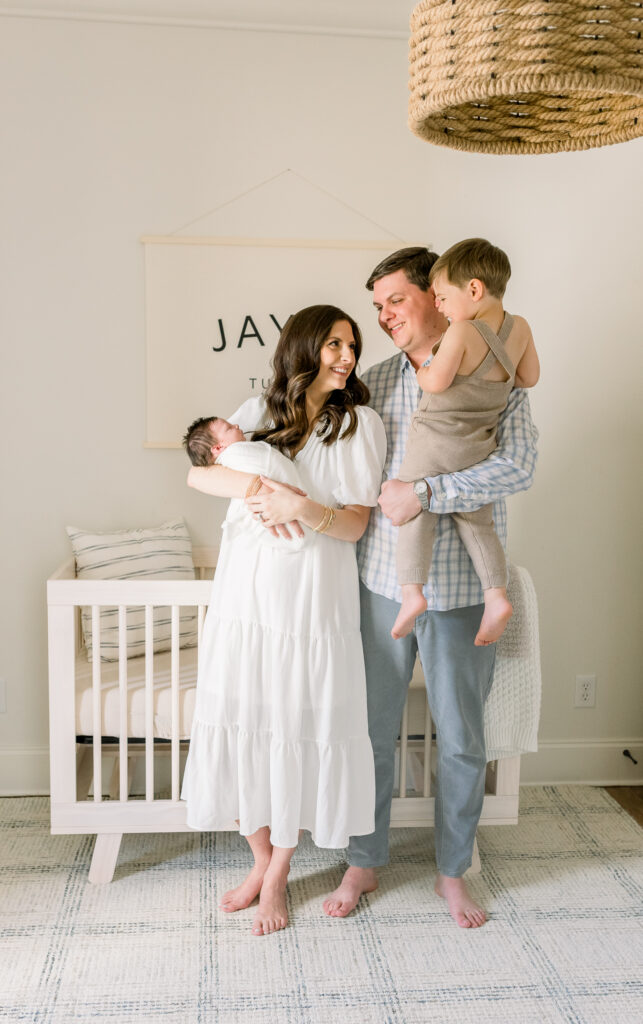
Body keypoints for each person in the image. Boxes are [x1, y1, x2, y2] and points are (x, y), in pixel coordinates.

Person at [322, 247, 538, 928]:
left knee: (463, 739)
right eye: (377, 305)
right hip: (383, 586)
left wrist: (427, 491)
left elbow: (519, 465)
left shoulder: (494, 368)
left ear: (438, 297)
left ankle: (452, 870)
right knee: (369, 732)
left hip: (463, 592)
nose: (384, 316)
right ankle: (363, 859)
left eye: (395, 300)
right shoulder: (374, 385)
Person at [181, 304, 387, 937]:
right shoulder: (255, 413)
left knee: (295, 728)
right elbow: (198, 472)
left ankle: (278, 878)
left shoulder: (359, 424)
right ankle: (259, 859)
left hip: (311, 595)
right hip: (246, 593)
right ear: (304, 347)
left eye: (352, 343)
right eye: (333, 343)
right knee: (244, 721)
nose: (346, 355)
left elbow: (356, 522)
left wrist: (300, 503)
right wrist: (255, 492)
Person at [392, 238, 540, 643]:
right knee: (479, 523)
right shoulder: (521, 327)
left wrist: (425, 366)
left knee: (412, 512)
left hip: (436, 441)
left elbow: (436, 382)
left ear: (473, 290)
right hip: (478, 446)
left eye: (441, 297)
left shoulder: (460, 332)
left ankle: (411, 593)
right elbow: (527, 379)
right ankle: (496, 595)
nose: (438, 305)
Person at [182, 415, 311, 550]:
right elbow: (194, 476)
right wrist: (261, 488)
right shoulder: (234, 454)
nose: (236, 426)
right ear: (218, 448)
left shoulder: (233, 456)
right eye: (229, 428)